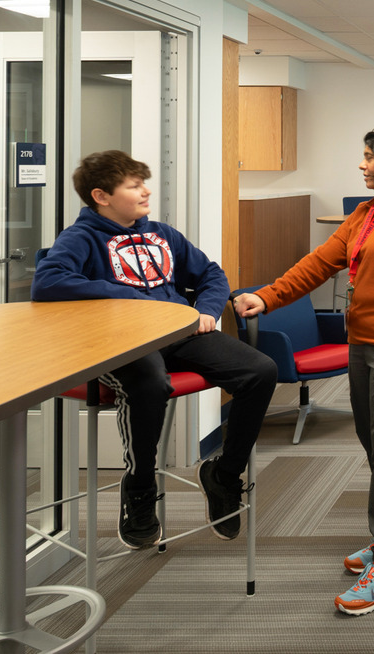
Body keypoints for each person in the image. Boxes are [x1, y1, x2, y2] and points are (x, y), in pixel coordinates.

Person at [233, 125, 374, 616]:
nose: (362, 164)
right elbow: (318, 264)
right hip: (362, 344)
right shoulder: (366, 213)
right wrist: (266, 297)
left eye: (369, 157)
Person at [32, 151, 276, 550]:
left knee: (260, 370)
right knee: (149, 382)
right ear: (101, 196)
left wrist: (207, 310)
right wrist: (128, 296)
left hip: (177, 332)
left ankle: (224, 476)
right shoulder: (80, 238)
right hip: (120, 342)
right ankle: (140, 487)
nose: (146, 191)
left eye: (143, 183)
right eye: (134, 185)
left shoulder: (162, 233)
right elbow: (47, 283)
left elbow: (211, 273)